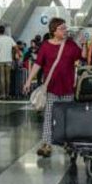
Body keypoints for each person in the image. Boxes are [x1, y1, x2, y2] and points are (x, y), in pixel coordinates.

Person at [23, 18, 83, 158]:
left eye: (65, 28)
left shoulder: (71, 44)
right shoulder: (45, 46)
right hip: (51, 87)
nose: (65, 30)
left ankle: (69, 143)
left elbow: (82, 57)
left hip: (68, 86)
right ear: (53, 31)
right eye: (62, 28)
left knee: (69, 117)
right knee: (49, 116)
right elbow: (38, 64)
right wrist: (28, 81)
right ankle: (46, 144)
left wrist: (83, 43)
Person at [0, 25, 17, 100]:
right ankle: (7, 94)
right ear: (4, 31)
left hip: (1, 61)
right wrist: (19, 53)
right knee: (8, 78)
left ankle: (2, 95)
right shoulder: (9, 38)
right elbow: (15, 46)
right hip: (8, 60)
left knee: (2, 78)